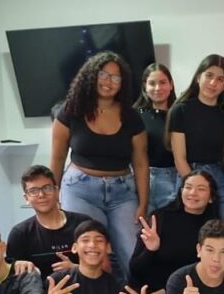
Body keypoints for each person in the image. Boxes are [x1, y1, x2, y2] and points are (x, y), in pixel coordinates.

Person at [51, 51, 150, 281]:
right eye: (104, 75)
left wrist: (143, 203)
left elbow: (141, 163)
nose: (109, 81)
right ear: (92, 76)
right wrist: (54, 196)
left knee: (134, 255)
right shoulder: (71, 111)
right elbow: (57, 158)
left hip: (123, 193)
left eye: (116, 78)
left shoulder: (131, 117)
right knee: (92, 257)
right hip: (80, 190)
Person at [128, 170, 220, 294]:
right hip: (146, 292)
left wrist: (163, 293)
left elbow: (205, 273)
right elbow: (135, 269)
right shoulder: (160, 217)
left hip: (181, 293)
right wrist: (151, 250)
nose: (192, 193)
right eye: (188, 187)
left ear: (211, 197)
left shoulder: (213, 229)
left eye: (201, 189)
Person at [166, 55, 224, 247]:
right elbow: (179, 158)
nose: (213, 83)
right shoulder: (181, 110)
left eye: (220, 79)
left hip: (221, 178)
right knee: (190, 240)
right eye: (209, 75)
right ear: (198, 77)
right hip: (190, 176)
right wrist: (197, 187)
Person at [6, 165, 88, 279]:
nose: (41, 195)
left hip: (83, 287)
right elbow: (12, 279)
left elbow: (104, 266)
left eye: (47, 188)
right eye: (33, 191)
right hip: (40, 290)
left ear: (56, 191)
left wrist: (77, 269)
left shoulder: (83, 224)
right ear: (26, 198)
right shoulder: (20, 233)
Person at [134, 63, 178, 212]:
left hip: (173, 178)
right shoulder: (135, 115)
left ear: (171, 84)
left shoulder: (180, 114)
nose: (158, 88)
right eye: (152, 83)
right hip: (142, 180)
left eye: (163, 82)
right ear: (144, 86)